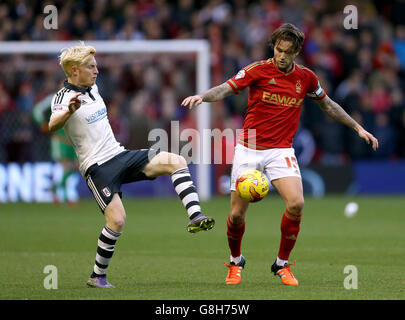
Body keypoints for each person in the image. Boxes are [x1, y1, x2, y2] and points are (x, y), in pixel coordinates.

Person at [181, 23, 379, 286]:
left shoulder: (306, 78)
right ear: (273, 46)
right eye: (278, 49)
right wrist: (202, 96)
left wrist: (357, 126)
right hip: (249, 149)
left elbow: (328, 105)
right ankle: (235, 260)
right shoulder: (257, 70)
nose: (281, 55)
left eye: (287, 51)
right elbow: (226, 88)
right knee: (237, 215)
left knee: (296, 203)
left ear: (296, 51)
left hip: (281, 151)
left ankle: (282, 264)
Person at [49, 42, 215, 288]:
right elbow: (52, 125)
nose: (97, 71)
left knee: (176, 161)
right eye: (91, 67)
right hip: (98, 168)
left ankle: (195, 215)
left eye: (96, 66)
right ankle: (97, 276)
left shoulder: (94, 89)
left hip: (119, 155)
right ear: (74, 70)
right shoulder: (64, 98)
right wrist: (69, 112)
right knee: (117, 221)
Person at [32, 93, 79, 206]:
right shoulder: (55, 99)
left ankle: (55, 188)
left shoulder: (78, 98)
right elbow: (37, 110)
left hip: (72, 139)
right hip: (60, 139)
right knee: (66, 167)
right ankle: (65, 197)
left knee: (76, 167)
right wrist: (42, 123)